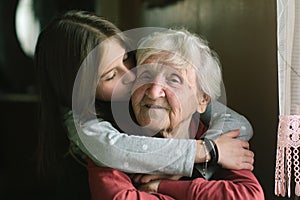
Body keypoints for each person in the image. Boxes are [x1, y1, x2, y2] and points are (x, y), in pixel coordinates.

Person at [35, 10, 254, 197]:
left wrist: (202, 160)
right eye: (111, 75)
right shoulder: (90, 129)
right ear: (81, 90)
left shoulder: (187, 112)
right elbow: (114, 156)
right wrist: (205, 154)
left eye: (126, 59)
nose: (130, 75)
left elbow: (238, 125)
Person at [87, 28, 264, 199]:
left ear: (202, 100)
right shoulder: (116, 139)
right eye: (146, 75)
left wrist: (162, 186)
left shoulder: (217, 136)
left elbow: (249, 196)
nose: (154, 92)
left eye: (173, 80)